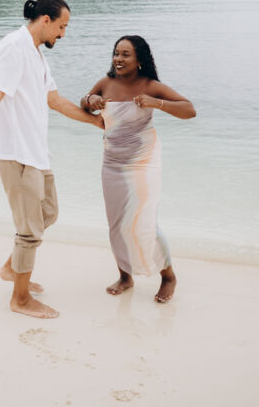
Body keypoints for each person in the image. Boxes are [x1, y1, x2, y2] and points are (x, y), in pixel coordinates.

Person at [0, 0, 103, 319]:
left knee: (48, 213)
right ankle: (19, 299)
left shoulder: (36, 55)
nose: (63, 34)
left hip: (36, 153)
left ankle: (11, 267)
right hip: (15, 154)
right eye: (62, 26)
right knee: (29, 230)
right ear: (46, 20)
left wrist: (95, 122)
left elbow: (55, 100)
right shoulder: (13, 46)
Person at [81, 35, 196, 303]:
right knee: (117, 223)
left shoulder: (151, 86)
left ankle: (168, 276)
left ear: (139, 60)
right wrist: (91, 98)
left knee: (144, 223)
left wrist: (157, 103)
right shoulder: (106, 83)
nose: (118, 59)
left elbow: (189, 110)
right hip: (112, 162)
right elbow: (84, 104)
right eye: (116, 53)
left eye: (125, 54)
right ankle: (125, 276)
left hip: (143, 162)